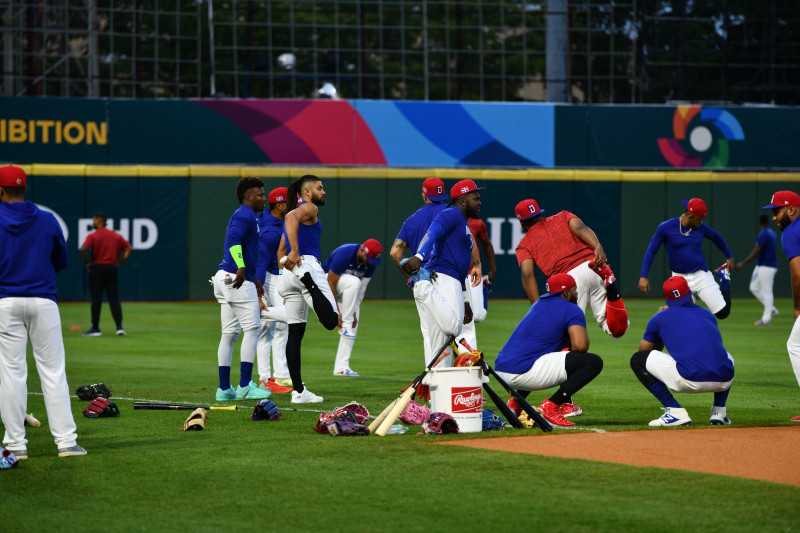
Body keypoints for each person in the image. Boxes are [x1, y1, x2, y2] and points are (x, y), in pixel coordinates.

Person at [0, 165, 86, 458]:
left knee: (12, 373)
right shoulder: (47, 219)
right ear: (25, 189)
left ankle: (15, 444)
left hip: (5, 302)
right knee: (53, 372)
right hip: (43, 301)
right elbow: (60, 260)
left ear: (0, 190)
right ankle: (67, 443)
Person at [494, 273, 603, 428]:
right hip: (524, 372)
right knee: (593, 362)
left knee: (544, 354)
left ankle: (514, 405)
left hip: (501, 371)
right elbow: (581, 346)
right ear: (566, 293)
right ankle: (551, 407)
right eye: (574, 290)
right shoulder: (571, 308)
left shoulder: (538, 304)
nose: (577, 293)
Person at [514, 198, 628, 338]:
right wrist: (598, 246)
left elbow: (527, 274)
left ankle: (570, 357)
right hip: (595, 267)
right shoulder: (563, 216)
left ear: (521, 222)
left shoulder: (523, 245)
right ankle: (611, 287)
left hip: (569, 282)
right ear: (540, 213)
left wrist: (537, 307)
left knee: (565, 335)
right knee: (615, 329)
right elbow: (581, 228)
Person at [631, 276, 734, 427]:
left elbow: (643, 353)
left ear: (668, 299)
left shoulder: (660, 317)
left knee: (636, 359)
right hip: (724, 380)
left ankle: (675, 412)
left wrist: (660, 329)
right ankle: (719, 412)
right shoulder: (708, 315)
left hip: (689, 380)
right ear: (689, 293)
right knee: (726, 356)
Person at [400, 179, 483, 367]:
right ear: (463, 200)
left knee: (439, 346)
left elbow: (462, 268)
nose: (479, 202)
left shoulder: (461, 222)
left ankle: (436, 393)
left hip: (453, 278)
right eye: (475, 198)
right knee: (453, 328)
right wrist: (419, 257)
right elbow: (433, 231)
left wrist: (466, 301)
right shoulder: (451, 213)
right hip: (442, 276)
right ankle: (421, 284)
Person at [278, 174, 340, 403]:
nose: (323, 192)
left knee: (295, 333)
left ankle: (299, 392)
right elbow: (291, 216)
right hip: (307, 268)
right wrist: (296, 253)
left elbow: (279, 252)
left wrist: (288, 262)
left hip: (289, 273)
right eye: (319, 188)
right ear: (307, 192)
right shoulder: (309, 208)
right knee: (331, 321)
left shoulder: (299, 215)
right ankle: (307, 281)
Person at [211, 176, 272, 402]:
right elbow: (233, 241)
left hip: (225, 277)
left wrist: (253, 276)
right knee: (253, 330)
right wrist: (241, 267)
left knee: (229, 334)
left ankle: (224, 389)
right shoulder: (245, 214)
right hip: (235, 278)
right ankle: (245, 385)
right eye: (259, 194)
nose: (263, 198)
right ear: (248, 197)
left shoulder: (247, 215)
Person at [639, 198, 733, 319]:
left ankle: (724, 277)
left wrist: (729, 256)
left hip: (700, 275)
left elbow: (716, 237)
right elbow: (651, 250)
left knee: (723, 313)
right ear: (689, 216)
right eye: (699, 219)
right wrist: (643, 276)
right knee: (683, 318)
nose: (701, 222)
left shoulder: (701, 228)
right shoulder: (666, 227)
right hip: (679, 279)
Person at [390, 177, 450, 361]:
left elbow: (395, 253)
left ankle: (433, 382)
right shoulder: (451, 212)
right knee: (452, 329)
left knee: (429, 332)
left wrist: (410, 274)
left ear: (424, 194)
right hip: (446, 276)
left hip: (421, 279)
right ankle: (451, 379)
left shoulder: (412, 220)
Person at [762, 190, 800, 422]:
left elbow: (798, 275)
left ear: (792, 210)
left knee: (795, 345)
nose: (774, 217)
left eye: (777, 211)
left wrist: (797, 307)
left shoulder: (791, 232)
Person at [323, 238, 383, 376]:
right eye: (369, 258)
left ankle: (341, 368)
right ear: (362, 250)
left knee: (353, 326)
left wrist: (354, 311)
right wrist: (336, 311)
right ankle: (346, 324)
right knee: (354, 282)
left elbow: (362, 289)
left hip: (348, 290)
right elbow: (330, 282)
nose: (370, 262)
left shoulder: (371, 264)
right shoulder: (345, 253)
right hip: (325, 284)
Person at [254, 186, 293, 394]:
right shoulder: (270, 230)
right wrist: (258, 294)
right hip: (267, 278)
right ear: (279, 204)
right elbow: (261, 263)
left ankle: (280, 374)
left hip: (274, 276)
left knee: (281, 327)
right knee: (267, 328)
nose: (292, 204)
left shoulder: (276, 220)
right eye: (289, 201)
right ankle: (264, 378)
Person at [79, 212, 132, 336]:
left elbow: (83, 249)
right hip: (112, 268)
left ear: (98, 221)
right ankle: (119, 327)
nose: (93, 222)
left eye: (94, 220)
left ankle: (95, 328)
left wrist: (87, 263)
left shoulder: (93, 235)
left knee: (96, 299)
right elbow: (129, 249)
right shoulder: (116, 236)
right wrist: (120, 262)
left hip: (97, 268)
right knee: (114, 298)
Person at [456, 215, 497, 352]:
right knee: (463, 319)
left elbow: (487, 244)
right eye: (474, 198)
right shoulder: (450, 219)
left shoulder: (477, 223)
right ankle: (464, 355)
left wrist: (493, 268)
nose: (478, 202)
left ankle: (484, 284)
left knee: (478, 315)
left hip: (472, 273)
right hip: (456, 276)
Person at [735, 214, 779, 325]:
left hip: (766, 266)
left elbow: (756, 251)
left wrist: (743, 263)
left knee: (767, 291)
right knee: (754, 287)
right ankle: (771, 309)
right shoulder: (772, 233)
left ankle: (766, 319)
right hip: (763, 265)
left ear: (759, 223)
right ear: (768, 222)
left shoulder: (764, 234)